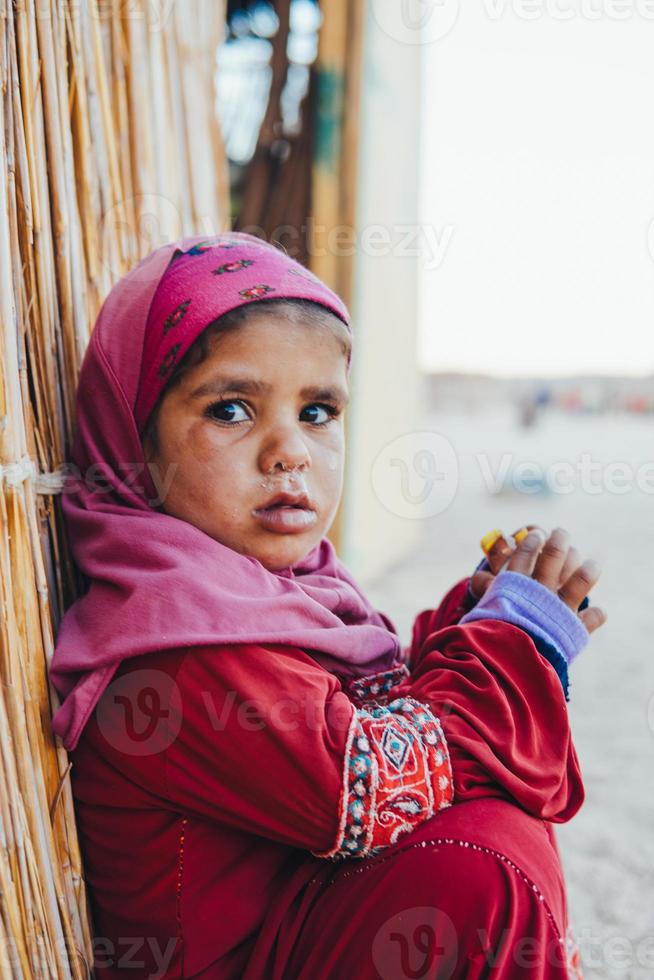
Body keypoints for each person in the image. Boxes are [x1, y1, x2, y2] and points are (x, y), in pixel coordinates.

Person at [48, 232, 605, 979]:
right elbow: (372, 785)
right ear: (132, 442)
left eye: (317, 412)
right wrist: (509, 645)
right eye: (232, 409)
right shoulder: (173, 646)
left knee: (495, 820)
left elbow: (392, 713)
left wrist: (470, 622)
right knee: (474, 873)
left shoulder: (296, 598)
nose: (289, 451)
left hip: (305, 930)